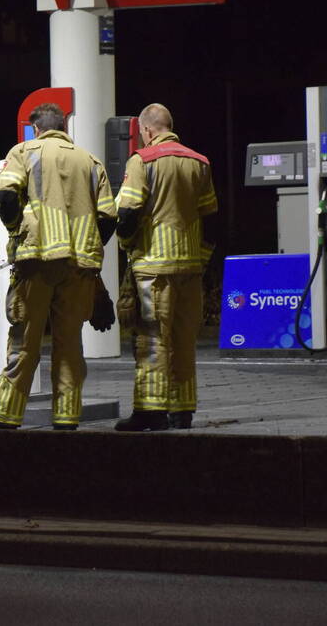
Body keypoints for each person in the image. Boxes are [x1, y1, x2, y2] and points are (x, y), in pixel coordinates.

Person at [0, 102, 117, 431]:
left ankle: (6, 417)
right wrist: (88, 245)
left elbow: (6, 195)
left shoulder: (24, 151)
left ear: (36, 129)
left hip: (36, 263)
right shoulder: (90, 161)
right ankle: (67, 419)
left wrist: (18, 230)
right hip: (79, 266)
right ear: (64, 128)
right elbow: (108, 216)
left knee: (25, 342)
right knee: (69, 344)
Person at [114, 103, 218, 431]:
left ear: (146, 130)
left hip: (153, 269)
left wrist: (127, 244)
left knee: (152, 339)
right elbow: (211, 218)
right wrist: (201, 258)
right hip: (190, 269)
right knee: (184, 341)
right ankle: (182, 411)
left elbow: (127, 212)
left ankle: (151, 411)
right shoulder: (199, 162)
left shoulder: (142, 160)